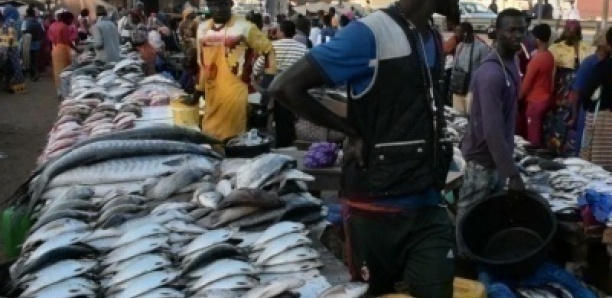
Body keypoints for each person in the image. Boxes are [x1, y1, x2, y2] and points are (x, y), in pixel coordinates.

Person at [268, 0, 460, 295]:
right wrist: (349, 131)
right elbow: (285, 87)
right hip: (375, 207)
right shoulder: (368, 34)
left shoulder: (431, 35)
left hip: (428, 203)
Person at [458, 8, 526, 250]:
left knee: (488, 225)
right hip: (482, 163)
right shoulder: (490, 73)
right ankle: (462, 270)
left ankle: (480, 267)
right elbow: (492, 129)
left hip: (497, 162)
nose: (518, 35)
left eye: (521, 29)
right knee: (469, 224)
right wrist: (512, 174)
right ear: (496, 33)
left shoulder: (512, 62)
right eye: (510, 30)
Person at [193, 0, 276, 140]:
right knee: (209, 136)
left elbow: (269, 51)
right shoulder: (202, 29)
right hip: (212, 92)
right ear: (208, 7)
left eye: (223, 4)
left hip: (236, 91)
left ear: (231, 4)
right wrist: (198, 90)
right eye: (214, 5)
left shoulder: (245, 27)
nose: (219, 9)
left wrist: (268, 81)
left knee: (233, 137)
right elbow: (202, 63)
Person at [254, 20, 308, 147]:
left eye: (278, 30)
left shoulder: (272, 46)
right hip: (293, 86)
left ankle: (270, 142)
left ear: (281, 32)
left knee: (271, 115)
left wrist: (256, 76)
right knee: (289, 117)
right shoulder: (303, 48)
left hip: (273, 86)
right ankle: (287, 143)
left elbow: (258, 67)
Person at [545, 20, 592, 156]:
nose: (571, 33)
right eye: (569, 30)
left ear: (579, 32)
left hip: (578, 89)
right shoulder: (556, 48)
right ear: (565, 32)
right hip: (562, 90)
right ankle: (555, 150)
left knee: (575, 118)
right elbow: (551, 73)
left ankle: (571, 152)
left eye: (574, 31)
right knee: (559, 120)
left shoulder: (586, 48)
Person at [578, 28, 612, 169]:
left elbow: (586, 91)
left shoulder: (604, 66)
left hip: (605, 118)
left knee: (598, 165)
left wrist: (589, 105)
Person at [519, 24, 555, 147]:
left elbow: (526, 84)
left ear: (538, 40)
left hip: (535, 101)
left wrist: (517, 98)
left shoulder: (537, 60)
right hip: (545, 99)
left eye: (533, 37)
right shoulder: (549, 55)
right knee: (540, 131)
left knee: (533, 136)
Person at [450, 22, 490, 115]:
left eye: (458, 33)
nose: (456, 35)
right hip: (458, 89)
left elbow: (485, 70)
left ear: (465, 33)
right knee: (458, 117)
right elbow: (454, 66)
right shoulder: (460, 46)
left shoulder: (482, 48)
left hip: (472, 90)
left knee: (472, 118)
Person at [48, 11, 80, 98]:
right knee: (65, 71)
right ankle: (64, 92)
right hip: (63, 49)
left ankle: (59, 91)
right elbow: (68, 41)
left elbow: (51, 38)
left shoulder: (55, 25)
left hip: (55, 49)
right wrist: (76, 49)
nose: (71, 22)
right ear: (68, 19)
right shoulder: (65, 26)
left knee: (57, 71)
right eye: (71, 20)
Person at [0, 12, 25, 92]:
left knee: (9, 68)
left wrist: (4, 52)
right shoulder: (10, 23)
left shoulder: (6, 25)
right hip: (12, 50)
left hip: (10, 51)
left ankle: (11, 86)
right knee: (13, 68)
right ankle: (11, 85)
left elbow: (8, 40)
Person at [22, 7, 44, 81]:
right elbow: (42, 32)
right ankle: (34, 73)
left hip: (28, 43)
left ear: (27, 14)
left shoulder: (26, 22)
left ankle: (32, 74)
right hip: (37, 43)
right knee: (34, 60)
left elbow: (24, 32)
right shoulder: (37, 22)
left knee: (28, 59)